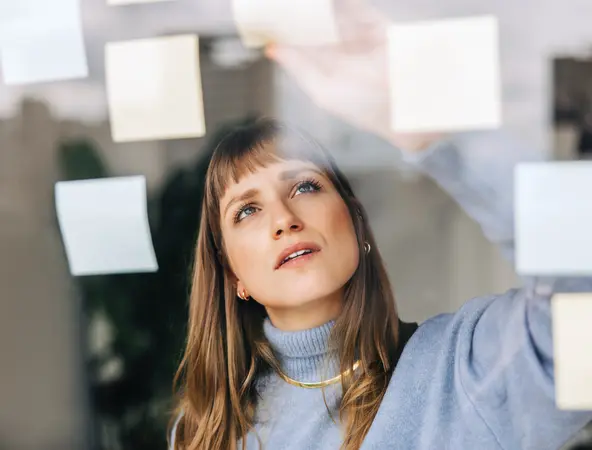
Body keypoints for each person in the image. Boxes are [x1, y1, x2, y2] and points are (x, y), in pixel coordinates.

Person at [168, 3, 592, 449]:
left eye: (305, 187)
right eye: (246, 211)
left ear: (355, 221)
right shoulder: (204, 432)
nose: (284, 221)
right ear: (233, 275)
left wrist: (430, 131)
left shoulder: (462, 371)